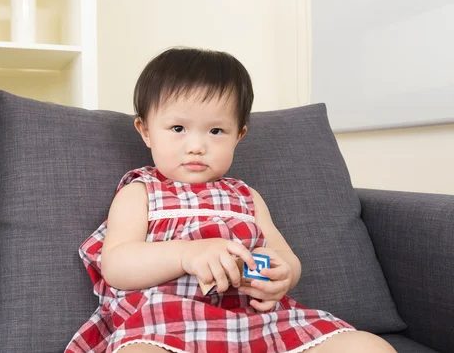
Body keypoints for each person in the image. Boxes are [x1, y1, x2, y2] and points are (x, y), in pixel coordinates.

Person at [65, 48, 396, 353]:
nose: (196, 146)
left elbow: (283, 254)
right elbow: (117, 267)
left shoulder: (247, 196)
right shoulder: (139, 193)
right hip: (165, 325)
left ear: (239, 135)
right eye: (178, 127)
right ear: (146, 131)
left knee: (369, 346)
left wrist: (282, 272)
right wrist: (186, 253)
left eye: (216, 131)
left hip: (257, 322)